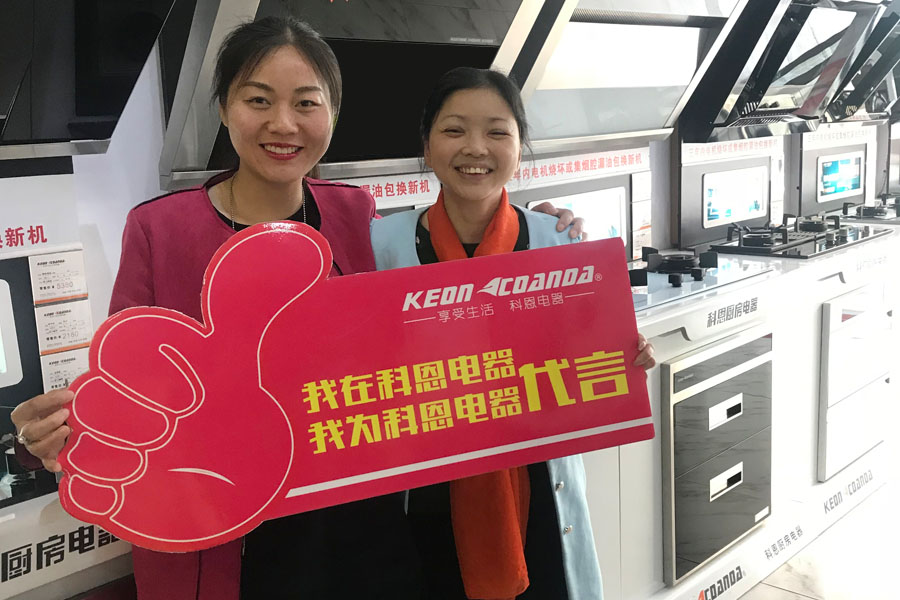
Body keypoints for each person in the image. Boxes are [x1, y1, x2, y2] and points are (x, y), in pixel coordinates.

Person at [8, 15, 589, 600]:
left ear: (331, 115)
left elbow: (449, 303)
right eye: (259, 100)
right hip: (231, 533)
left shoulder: (357, 217)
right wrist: (54, 436)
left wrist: (542, 232)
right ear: (224, 108)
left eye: (306, 103)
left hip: (361, 531)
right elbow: (126, 383)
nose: (283, 124)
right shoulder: (160, 230)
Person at [370, 67, 656, 600]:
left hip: (538, 491)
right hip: (426, 496)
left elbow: (592, 355)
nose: (475, 148)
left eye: (497, 132)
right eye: (454, 130)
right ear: (427, 146)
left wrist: (629, 352)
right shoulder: (379, 246)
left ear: (520, 148)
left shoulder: (560, 242)